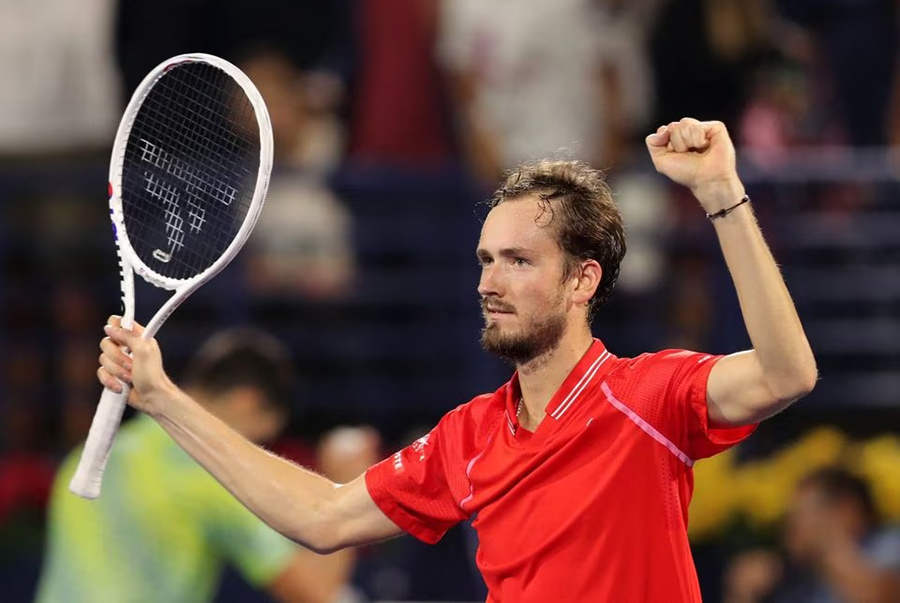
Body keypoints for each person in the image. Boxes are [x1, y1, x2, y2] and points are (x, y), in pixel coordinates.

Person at [97, 118, 817, 602]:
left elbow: (787, 373)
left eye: (517, 261)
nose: (488, 281)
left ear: (581, 280)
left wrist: (721, 192)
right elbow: (320, 516)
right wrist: (163, 397)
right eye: (484, 260)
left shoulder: (648, 395)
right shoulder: (466, 437)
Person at [40, 328, 376, 603]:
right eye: (260, 440)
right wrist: (345, 482)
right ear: (248, 401)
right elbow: (315, 594)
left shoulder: (85, 456)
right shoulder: (211, 476)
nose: (257, 455)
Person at [724, 467, 900, 603]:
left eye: (800, 515)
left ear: (846, 510)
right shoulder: (797, 577)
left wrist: (829, 544)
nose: (789, 529)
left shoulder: (889, 544)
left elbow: (882, 597)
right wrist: (742, 595)